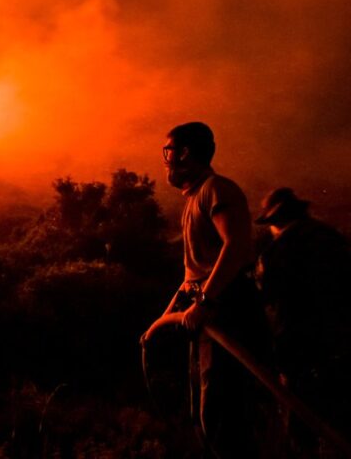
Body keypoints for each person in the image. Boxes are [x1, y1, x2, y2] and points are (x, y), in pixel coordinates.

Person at [149, 122, 267, 457]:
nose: (166, 159)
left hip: (227, 311)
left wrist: (205, 302)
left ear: (185, 154)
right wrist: (164, 317)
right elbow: (194, 275)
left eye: (168, 151)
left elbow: (237, 246)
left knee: (221, 411)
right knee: (206, 409)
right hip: (209, 312)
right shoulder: (195, 199)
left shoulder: (217, 190)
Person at [254, 187, 351, 455]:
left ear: (274, 222)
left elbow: (264, 299)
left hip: (300, 351)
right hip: (342, 346)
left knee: (300, 427)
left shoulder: (277, 253)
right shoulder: (332, 238)